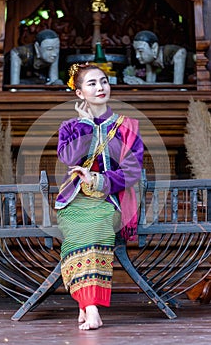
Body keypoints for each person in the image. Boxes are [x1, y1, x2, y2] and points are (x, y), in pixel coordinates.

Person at [54, 63, 144, 330]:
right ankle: (89, 306)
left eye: (103, 81)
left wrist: (99, 179)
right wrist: (84, 125)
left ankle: (89, 306)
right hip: (74, 201)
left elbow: (132, 171)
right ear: (79, 93)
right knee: (80, 229)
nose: (100, 87)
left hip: (109, 200)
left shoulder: (127, 126)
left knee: (94, 227)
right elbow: (69, 158)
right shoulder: (70, 127)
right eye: (91, 83)